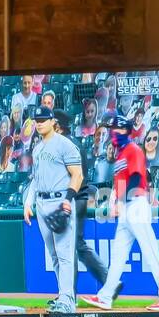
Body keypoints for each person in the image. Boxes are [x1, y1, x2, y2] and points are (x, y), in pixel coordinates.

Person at [81, 113, 159, 312]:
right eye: (112, 129)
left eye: (116, 128)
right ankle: (106, 297)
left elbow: (135, 178)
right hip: (126, 209)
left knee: (150, 252)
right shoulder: (121, 154)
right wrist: (115, 200)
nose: (113, 132)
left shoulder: (133, 149)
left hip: (137, 205)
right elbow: (121, 182)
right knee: (117, 255)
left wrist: (121, 201)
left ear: (125, 130)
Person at [22, 104, 83, 314]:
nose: (39, 124)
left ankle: (67, 301)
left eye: (43, 120)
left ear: (52, 122)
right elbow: (35, 180)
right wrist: (28, 202)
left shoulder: (65, 144)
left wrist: (68, 200)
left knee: (65, 254)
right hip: (41, 203)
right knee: (54, 256)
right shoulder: (37, 148)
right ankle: (64, 296)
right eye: (36, 121)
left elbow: (78, 175)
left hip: (60, 201)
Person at [53, 109, 109, 294]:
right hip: (80, 198)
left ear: (57, 126)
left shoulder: (63, 145)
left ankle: (70, 294)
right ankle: (108, 283)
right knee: (77, 245)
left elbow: (71, 177)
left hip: (73, 199)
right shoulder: (75, 143)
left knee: (70, 248)